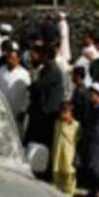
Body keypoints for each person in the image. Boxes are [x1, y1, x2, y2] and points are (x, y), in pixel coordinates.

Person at [25, 45, 64, 180]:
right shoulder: (47, 69)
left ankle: (44, 171)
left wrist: (31, 86)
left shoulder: (52, 70)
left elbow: (39, 86)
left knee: (44, 142)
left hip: (47, 113)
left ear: (46, 56)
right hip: (41, 112)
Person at [0, 46, 31, 136]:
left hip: (17, 110)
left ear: (18, 59)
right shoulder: (0, 70)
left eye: (12, 58)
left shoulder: (24, 74)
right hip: (2, 107)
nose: (10, 60)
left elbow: (28, 94)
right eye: (8, 58)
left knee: (16, 133)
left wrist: (23, 110)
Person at [52, 102, 81, 197]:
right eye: (61, 112)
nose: (63, 115)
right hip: (57, 154)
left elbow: (78, 139)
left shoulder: (75, 126)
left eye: (65, 113)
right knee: (57, 172)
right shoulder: (57, 123)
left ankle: (69, 193)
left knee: (69, 173)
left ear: (71, 113)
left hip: (69, 155)